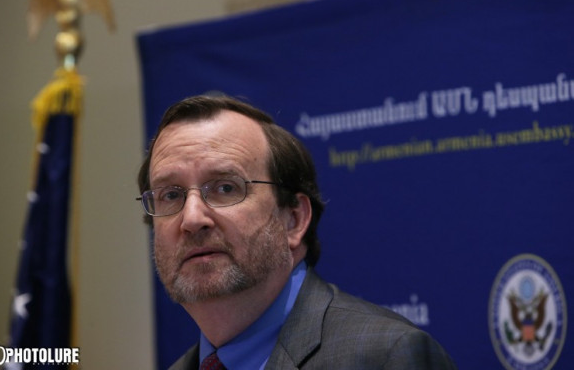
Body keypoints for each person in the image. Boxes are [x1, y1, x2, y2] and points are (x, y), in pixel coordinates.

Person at [137, 95, 457, 369]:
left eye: (225, 188)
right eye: (171, 195)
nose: (192, 218)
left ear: (293, 220)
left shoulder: (387, 357)